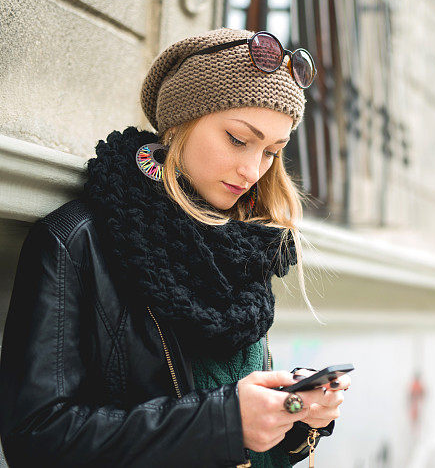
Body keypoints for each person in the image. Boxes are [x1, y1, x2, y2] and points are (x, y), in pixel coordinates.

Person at [0, 27, 350, 467]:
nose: (251, 170)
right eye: (239, 139)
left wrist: (297, 415)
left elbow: (252, 429)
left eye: (271, 152)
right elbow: (36, 438)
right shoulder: (78, 240)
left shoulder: (244, 246)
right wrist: (224, 421)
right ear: (181, 122)